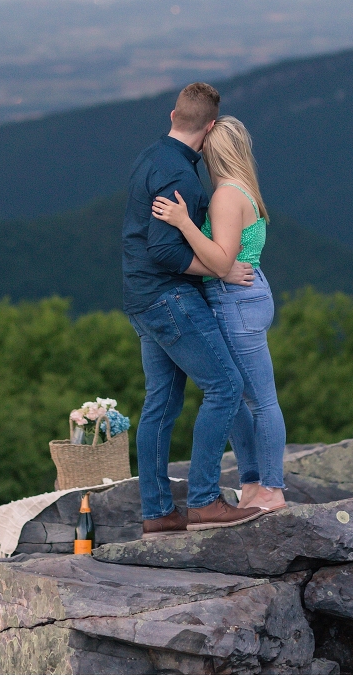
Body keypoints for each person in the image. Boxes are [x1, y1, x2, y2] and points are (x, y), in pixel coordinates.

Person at [122, 82, 264, 538]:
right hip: (169, 298)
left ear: (172, 115)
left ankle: (158, 512)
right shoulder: (181, 177)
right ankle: (203, 501)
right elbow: (165, 251)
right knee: (225, 386)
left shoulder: (150, 157)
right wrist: (220, 270)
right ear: (208, 129)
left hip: (140, 297)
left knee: (160, 404)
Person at [152, 115, 286, 513]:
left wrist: (181, 223)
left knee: (258, 399)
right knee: (237, 397)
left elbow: (221, 258)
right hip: (242, 296)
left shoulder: (227, 195)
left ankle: (271, 489)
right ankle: (252, 482)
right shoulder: (244, 188)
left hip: (234, 299)